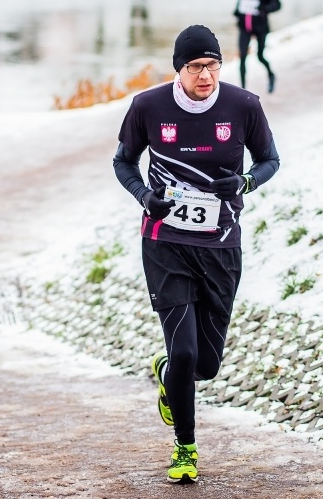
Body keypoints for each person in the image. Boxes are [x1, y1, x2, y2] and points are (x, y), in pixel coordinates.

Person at [112, 25, 280, 483]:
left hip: (221, 245)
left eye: (212, 65)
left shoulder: (243, 106)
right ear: (178, 69)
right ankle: (185, 448)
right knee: (185, 351)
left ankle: (168, 373)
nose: (205, 76)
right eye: (195, 67)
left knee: (204, 365)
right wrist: (146, 197)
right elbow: (122, 162)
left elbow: (270, 160)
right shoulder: (148, 107)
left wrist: (245, 182)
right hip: (165, 243)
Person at [234, 0, 281, 92]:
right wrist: (237, 11)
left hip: (260, 27)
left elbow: (277, 4)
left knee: (260, 56)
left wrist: (264, 9)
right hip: (244, 26)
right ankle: (242, 90)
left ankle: (271, 75)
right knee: (242, 56)